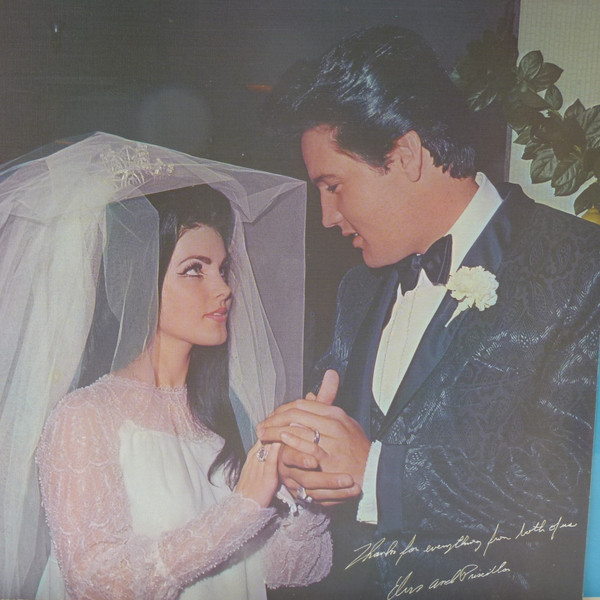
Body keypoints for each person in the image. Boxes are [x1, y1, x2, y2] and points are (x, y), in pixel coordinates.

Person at [258, 26, 600, 599]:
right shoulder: (356, 290)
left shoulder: (583, 267)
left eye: (334, 185)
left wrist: (377, 473)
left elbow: (573, 491)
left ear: (406, 155)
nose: (326, 216)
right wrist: (305, 463)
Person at [0, 132, 330, 599]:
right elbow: (97, 581)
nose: (223, 289)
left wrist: (305, 491)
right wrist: (242, 507)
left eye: (222, 269)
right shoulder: (86, 417)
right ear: (139, 277)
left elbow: (283, 572)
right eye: (195, 269)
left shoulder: (229, 415)